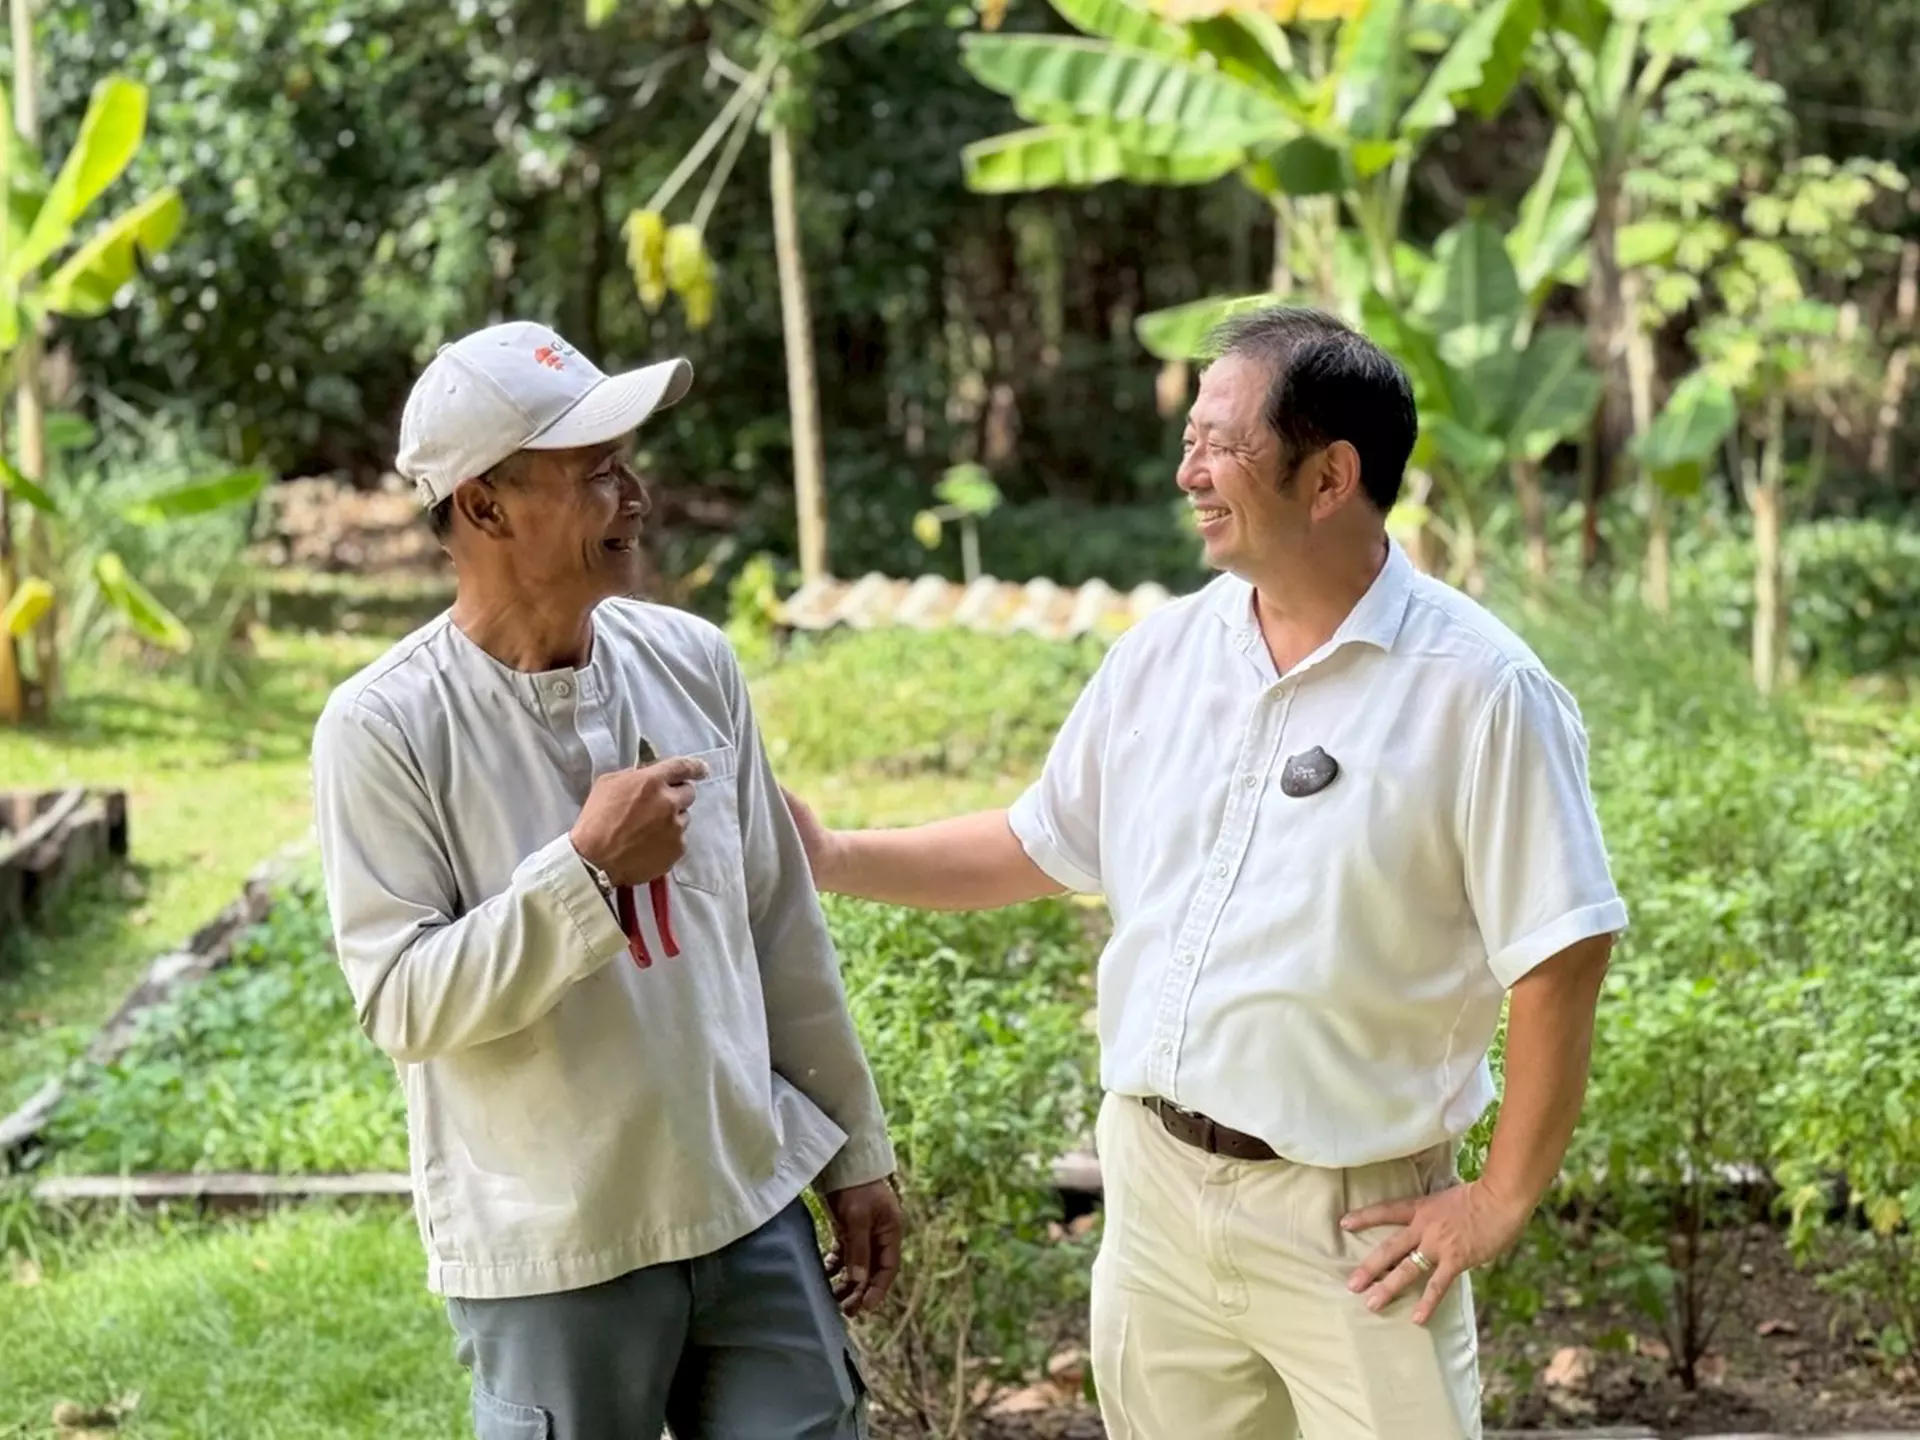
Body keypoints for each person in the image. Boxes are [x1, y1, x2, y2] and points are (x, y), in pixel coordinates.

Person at [784, 305, 1627, 1440]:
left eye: (1219, 443)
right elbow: (1041, 841)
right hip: (1156, 1192)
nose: (1189, 471)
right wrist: (835, 857)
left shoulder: (1479, 690)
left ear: (1330, 477)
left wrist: (1498, 1200)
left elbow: (1562, 950)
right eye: (1191, 438)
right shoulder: (1161, 656)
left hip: (1359, 1222)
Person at [310, 320, 901, 1440]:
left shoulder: (693, 661)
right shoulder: (383, 727)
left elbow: (780, 926)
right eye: (593, 474)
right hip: (556, 1250)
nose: (632, 495)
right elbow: (404, 1003)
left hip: (749, 1201)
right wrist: (583, 874)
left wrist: (856, 1151)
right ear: (483, 506)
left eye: (625, 463)